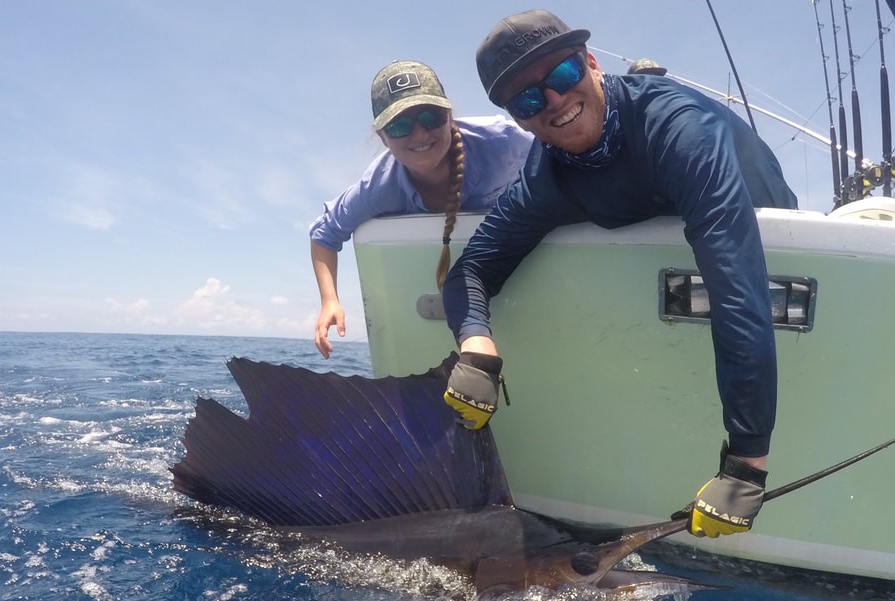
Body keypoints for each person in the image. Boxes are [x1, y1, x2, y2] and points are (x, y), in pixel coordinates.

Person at [441, 10, 799, 540]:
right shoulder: (545, 181)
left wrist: (747, 462)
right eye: (528, 100)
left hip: (770, 244)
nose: (554, 100)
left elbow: (737, 292)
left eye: (563, 74)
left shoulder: (678, 130)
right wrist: (476, 347)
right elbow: (470, 270)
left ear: (591, 63)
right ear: (518, 119)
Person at [309, 60, 533, 358]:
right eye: (399, 125)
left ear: (449, 117)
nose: (419, 135)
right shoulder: (379, 186)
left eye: (431, 117)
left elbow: (562, 155)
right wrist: (329, 301)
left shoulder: (504, 141)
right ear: (382, 137)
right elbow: (324, 233)